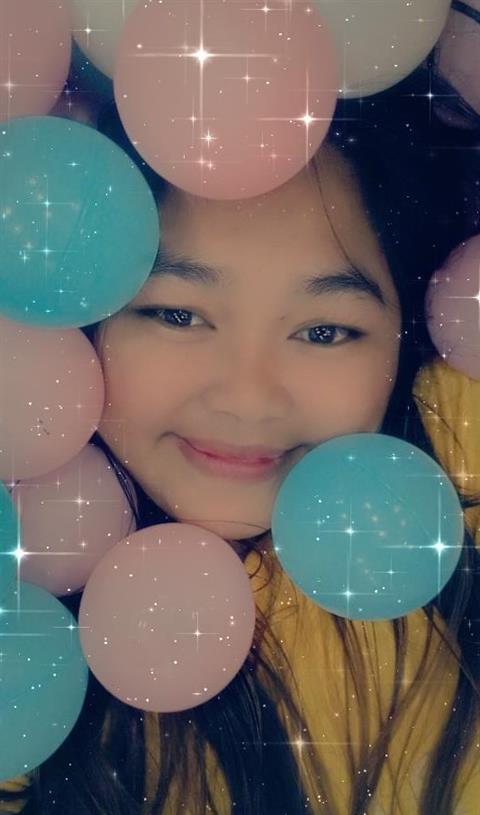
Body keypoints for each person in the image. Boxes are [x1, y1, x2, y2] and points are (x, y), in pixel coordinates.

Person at [1, 61, 480, 815]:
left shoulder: (456, 474)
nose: (248, 397)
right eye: (177, 314)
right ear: (78, 320)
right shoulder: (24, 631)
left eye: (324, 331)